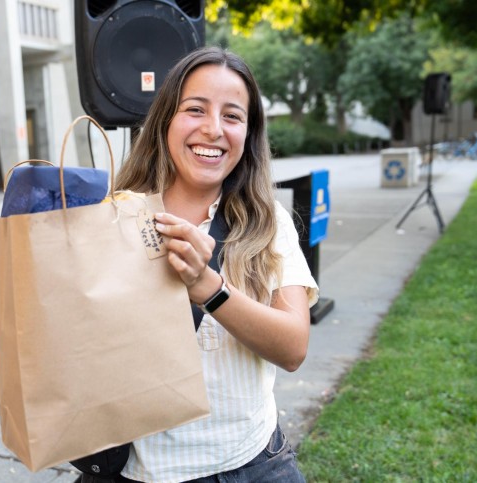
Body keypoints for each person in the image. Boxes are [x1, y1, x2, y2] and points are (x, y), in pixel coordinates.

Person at [82, 46, 318, 483]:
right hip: (132, 471)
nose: (213, 130)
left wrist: (208, 287)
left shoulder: (268, 222)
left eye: (232, 116)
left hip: (248, 467)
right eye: (195, 110)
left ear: (248, 133)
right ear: (166, 120)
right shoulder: (112, 214)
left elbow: (293, 348)